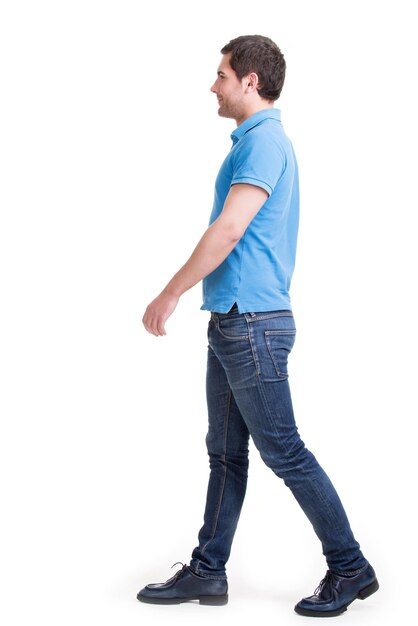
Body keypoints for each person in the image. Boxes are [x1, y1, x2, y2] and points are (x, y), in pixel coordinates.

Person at [137, 34, 378, 617]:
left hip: (253, 326)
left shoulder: (264, 143)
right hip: (232, 324)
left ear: (250, 79)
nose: (213, 85)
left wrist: (170, 292)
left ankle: (350, 567)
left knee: (285, 452)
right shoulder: (252, 143)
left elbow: (228, 231)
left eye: (221, 74)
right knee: (225, 454)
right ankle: (208, 571)